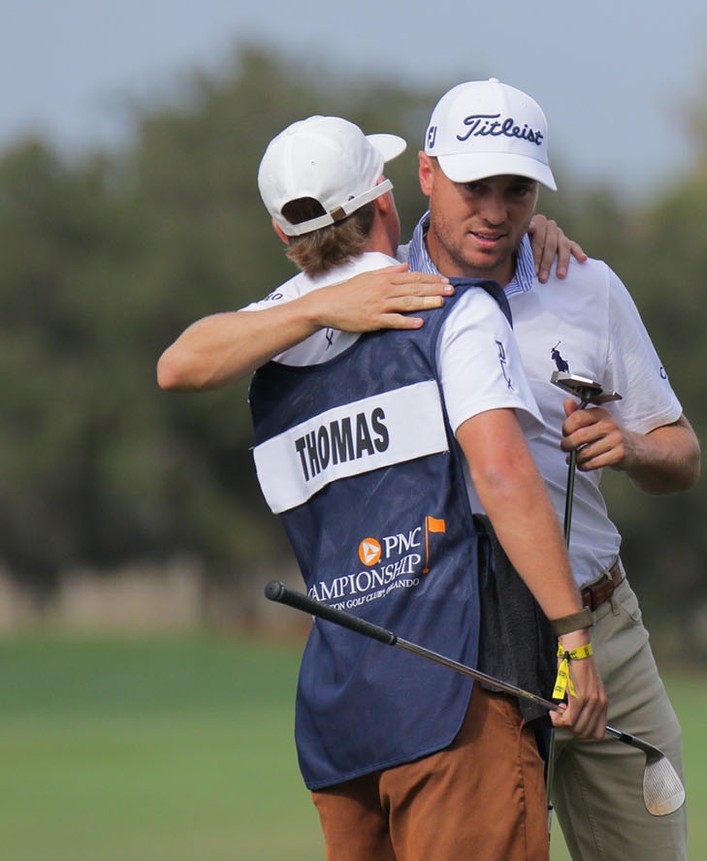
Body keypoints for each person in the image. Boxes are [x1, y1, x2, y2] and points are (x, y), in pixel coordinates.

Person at [158, 115, 607, 860]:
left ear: (284, 236)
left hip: (342, 713)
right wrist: (574, 638)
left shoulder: (271, 340)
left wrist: (310, 306)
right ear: (387, 202)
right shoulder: (452, 309)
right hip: (458, 696)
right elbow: (500, 471)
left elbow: (178, 363)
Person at [402, 79, 698, 861]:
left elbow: (682, 454)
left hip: (603, 624)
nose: (496, 212)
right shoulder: (380, 296)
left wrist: (629, 447)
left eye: (518, 190)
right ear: (427, 174)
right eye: (476, 188)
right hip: (461, 636)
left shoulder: (585, 285)